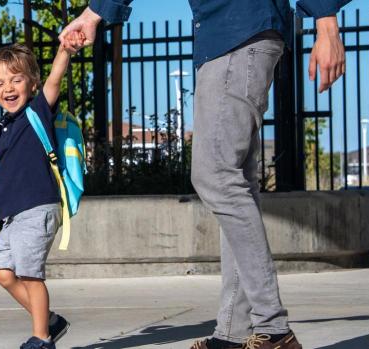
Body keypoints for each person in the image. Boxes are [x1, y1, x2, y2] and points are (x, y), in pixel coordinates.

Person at [60, 1, 349, 348]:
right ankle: (233, 332)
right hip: (229, 37)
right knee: (235, 184)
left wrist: (326, 22)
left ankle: (273, 328)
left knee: (216, 176)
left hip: (238, 34)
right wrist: (94, 15)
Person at [0, 35, 83, 349]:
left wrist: (64, 50)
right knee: (2, 272)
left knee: (30, 274)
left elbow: (55, 81)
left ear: (32, 84)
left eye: (16, 79)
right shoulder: (2, 129)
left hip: (38, 206)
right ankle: (50, 321)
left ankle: (42, 338)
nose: (8, 88)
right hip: (11, 214)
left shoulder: (37, 112)